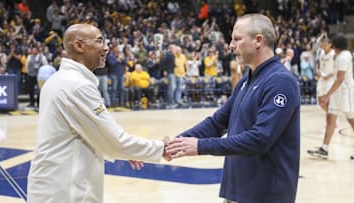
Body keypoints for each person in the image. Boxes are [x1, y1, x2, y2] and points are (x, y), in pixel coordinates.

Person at [165, 14, 301, 203]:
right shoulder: (248, 79)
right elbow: (217, 122)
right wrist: (177, 143)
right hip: (238, 192)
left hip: (266, 194)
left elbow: (260, 139)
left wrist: (200, 146)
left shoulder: (280, 82)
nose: (231, 45)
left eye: (237, 39)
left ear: (258, 41)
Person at [27, 24, 169, 203]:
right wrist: (160, 148)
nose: (106, 47)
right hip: (67, 190)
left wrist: (127, 151)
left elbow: (94, 136)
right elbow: (114, 140)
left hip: (53, 184)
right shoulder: (77, 86)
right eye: (99, 41)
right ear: (79, 46)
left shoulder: (58, 79)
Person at [307, 33, 354, 160]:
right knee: (330, 117)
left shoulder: (342, 58)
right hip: (338, 90)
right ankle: (324, 148)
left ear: (335, 45)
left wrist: (327, 95)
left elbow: (340, 79)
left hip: (345, 91)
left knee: (351, 119)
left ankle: (324, 148)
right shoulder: (342, 55)